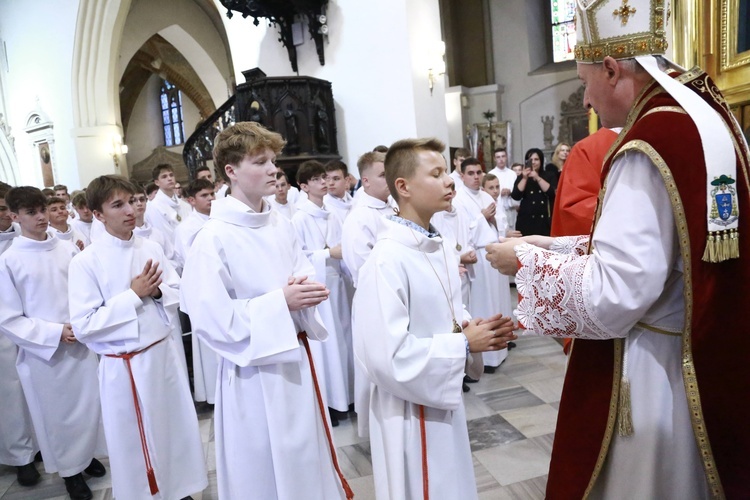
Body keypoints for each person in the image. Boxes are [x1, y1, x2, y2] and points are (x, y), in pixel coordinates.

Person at [485, 1, 749, 497]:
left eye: (585, 81)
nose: (585, 99)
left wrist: (525, 260)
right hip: (704, 352)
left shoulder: (646, 143)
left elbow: (617, 293)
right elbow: (670, 250)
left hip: (656, 369)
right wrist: (558, 246)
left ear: (611, 68)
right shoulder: (704, 117)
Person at [180, 122, 352, 500]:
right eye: (260, 161)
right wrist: (281, 303)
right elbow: (211, 319)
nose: (274, 169)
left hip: (294, 361)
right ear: (230, 171)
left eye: (273, 160)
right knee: (261, 471)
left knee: (304, 458)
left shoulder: (279, 222)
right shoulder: (213, 238)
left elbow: (301, 269)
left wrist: (306, 292)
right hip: (252, 374)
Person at [353, 138, 516, 499]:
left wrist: (475, 329)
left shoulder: (437, 245)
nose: (450, 182)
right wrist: (462, 343)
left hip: (441, 397)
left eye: (447, 172)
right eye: (437, 173)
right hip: (407, 410)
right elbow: (387, 357)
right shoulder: (386, 260)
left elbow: (447, 312)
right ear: (404, 187)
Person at [69, 175, 207, 500]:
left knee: (173, 431)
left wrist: (157, 291)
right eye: (118, 204)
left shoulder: (151, 246)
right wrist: (133, 295)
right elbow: (85, 324)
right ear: (98, 214)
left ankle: (177, 489)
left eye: (131, 201)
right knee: (134, 441)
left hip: (162, 355)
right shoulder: (85, 262)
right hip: (124, 366)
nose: (130, 209)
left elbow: (177, 292)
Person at [0, 186, 106, 500]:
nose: (41, 217)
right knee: (58, 416)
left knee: (89, 407)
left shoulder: (66, 249)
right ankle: (71, 473)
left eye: (42, 210)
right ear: (14, 216)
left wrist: (85, 323)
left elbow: (85, 290)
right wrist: (56, 332)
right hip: (45, 353)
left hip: (81, 342)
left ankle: (88, 458)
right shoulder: (9, 261)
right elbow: (9, 318)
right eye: (31, 213)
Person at [292, 160, 354, 426]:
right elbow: (298, 257)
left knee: (345, 341)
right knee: (327, 345)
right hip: (319, 287)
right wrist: (328, 253)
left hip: (340, 283)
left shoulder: (333, 212)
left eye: (325, 178)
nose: (324, 183)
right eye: (317, 179)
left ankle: (348, 396)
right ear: (304, 186)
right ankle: (330, 402)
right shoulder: (299, 217)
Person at [453, 157, 517, 373]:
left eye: (478, 172)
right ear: (462, 176)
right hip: (478, 257)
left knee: (498, 302)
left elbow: (500, 221)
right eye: (470, 173)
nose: (476, 177)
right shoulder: (458, 199)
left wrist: (491, 221)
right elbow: (462, 232)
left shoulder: (485, 195)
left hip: (492, 251)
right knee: (483, 304)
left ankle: (500, 348)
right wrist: (481, 218)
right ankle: (487, 356)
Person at [0, 183, 40, 488]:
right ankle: (20, 456)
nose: (4, 215)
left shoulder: (24, 239)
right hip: (3, 329)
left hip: (32, 322)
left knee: (36, 391)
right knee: (11, 395)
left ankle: (41, 445)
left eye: (5, 209)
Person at [174, 178, 218, 405]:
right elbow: (192, 261)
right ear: (191, 200)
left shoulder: (220, 220)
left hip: (224, 288)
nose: (211, 198)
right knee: (210, 347)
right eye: (204, 195)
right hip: (204, 291)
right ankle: (214, 393)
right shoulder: (186, 228)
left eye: (212, 193)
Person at [341, 151, 395, 287]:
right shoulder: (359, 217)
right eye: (383, 175)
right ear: (366, 181)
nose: (389, 179)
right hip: (376, 289)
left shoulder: (391, 207)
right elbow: (362, 267)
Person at [511, 148, 555, 236]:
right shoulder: (522, 177)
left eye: (536, 159)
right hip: (526, 220)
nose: (533, 162)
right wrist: (524, 178)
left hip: (544, 220)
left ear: (541, 161)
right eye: (530, 160)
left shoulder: (549, 175)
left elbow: (551, 193)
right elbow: (516, 195)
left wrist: (537, 177)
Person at [145, 164, 190, 243]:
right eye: (164, 176)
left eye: (171, 175)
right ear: (157, 182)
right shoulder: (155, 207)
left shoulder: (184, 204)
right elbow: (165, 236)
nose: (169, 178)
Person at [487, 147, 520, 229]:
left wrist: (510, 192)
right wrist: (499, 192)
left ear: (506, 157)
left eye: (503, 156)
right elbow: (487, 193)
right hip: (498, 209)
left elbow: (517, 191)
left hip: (511, 209)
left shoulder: (512, 174)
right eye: (498, 157)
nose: (501, 159)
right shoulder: (491, 174)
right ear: (494, 159)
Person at [323, 160, 354, 225]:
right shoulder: (323, 207)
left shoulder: (356, 203)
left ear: (347, 180)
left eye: (336, 179)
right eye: (327, 178)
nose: (331, 183)